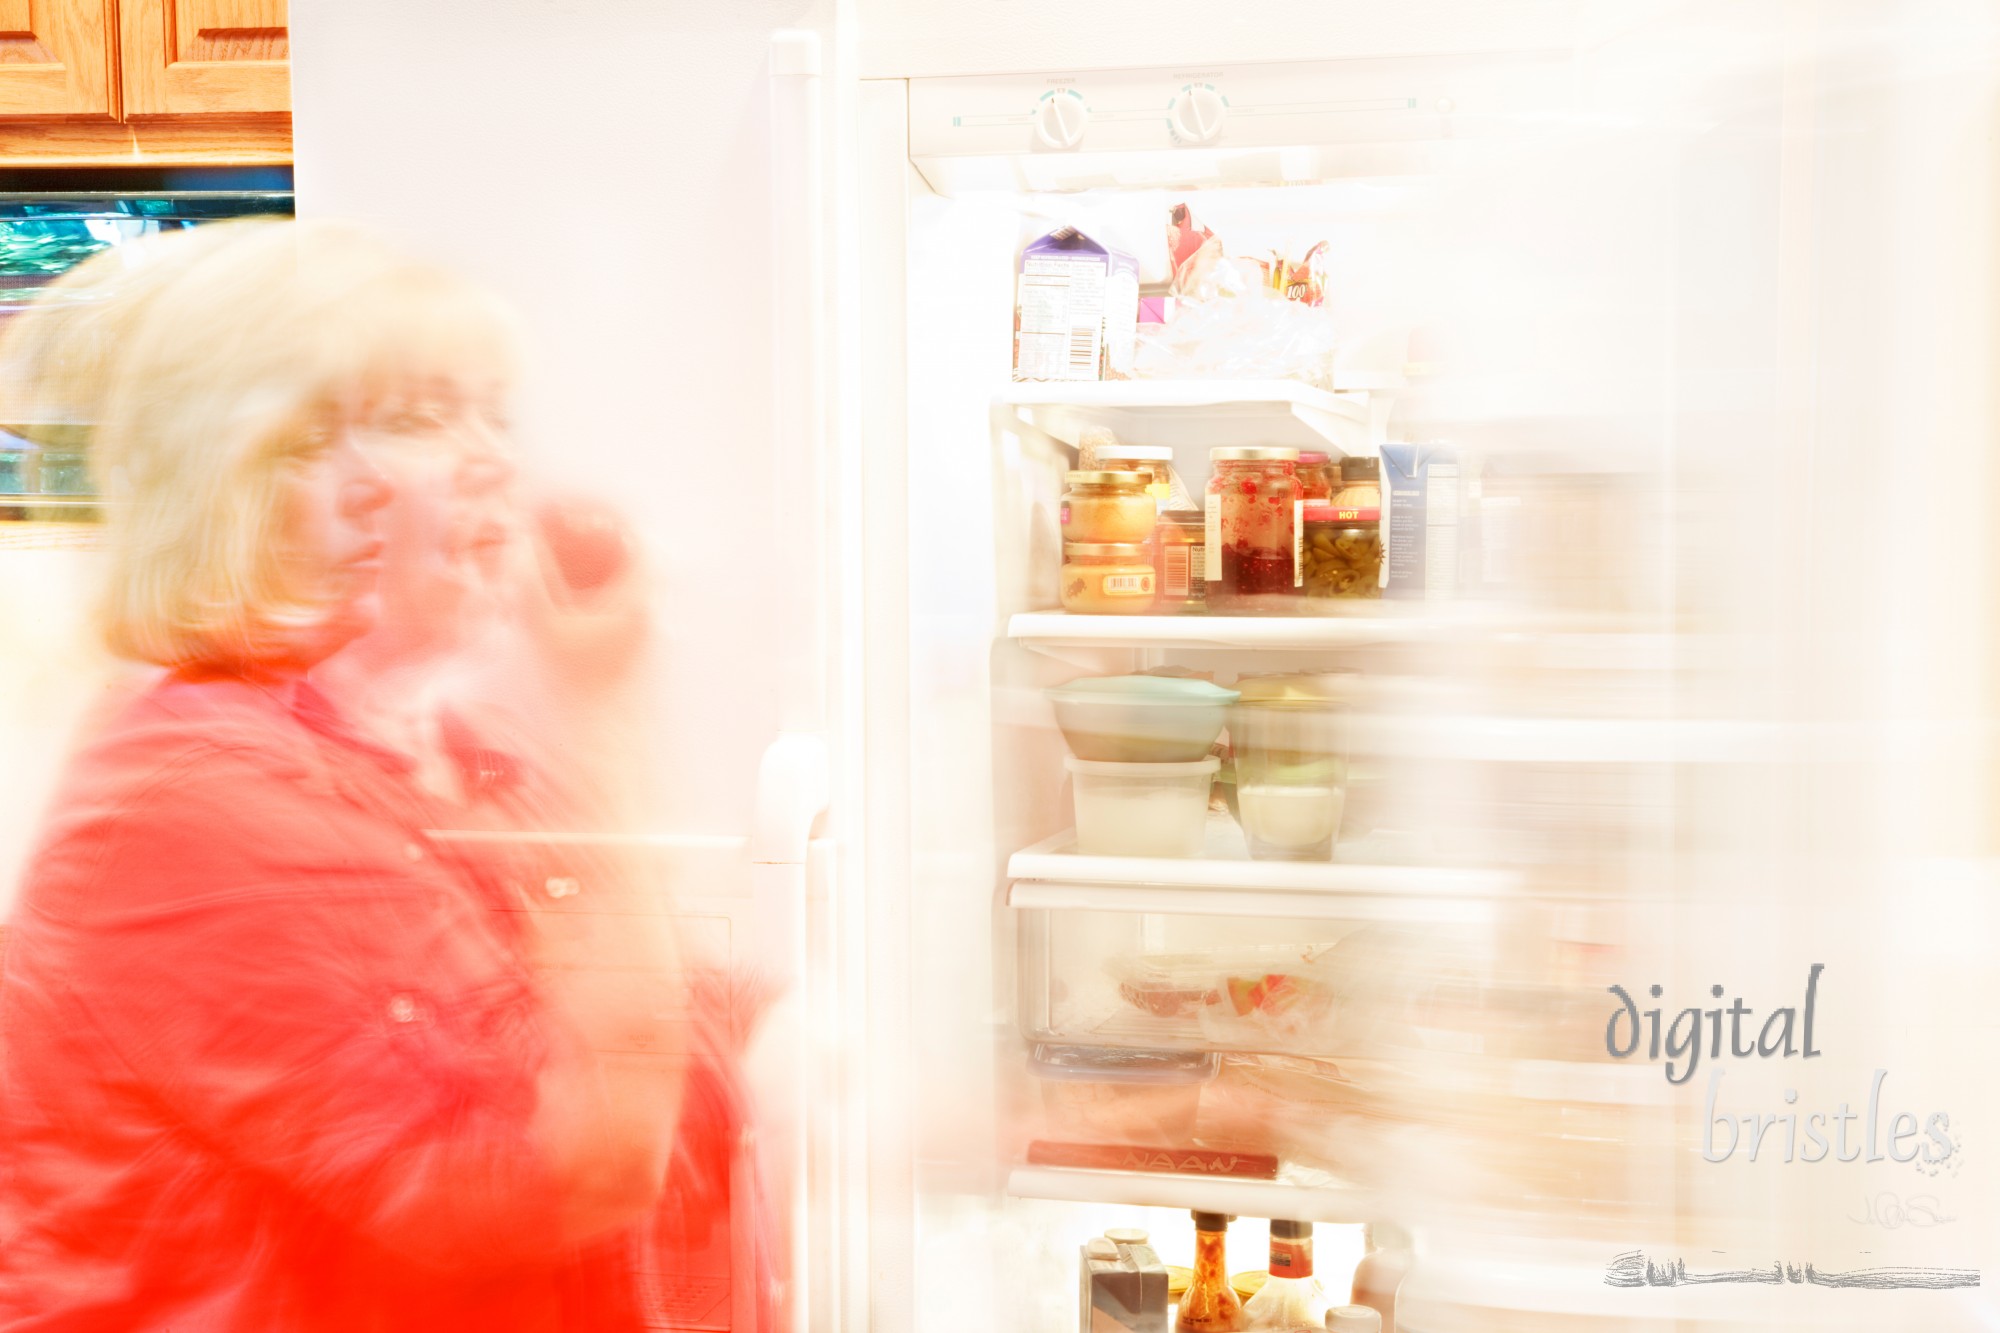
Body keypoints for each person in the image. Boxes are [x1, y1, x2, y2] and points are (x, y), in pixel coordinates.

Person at [0, 220, 685, 1331]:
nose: (494, 461)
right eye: (416, 418)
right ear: (248, 478)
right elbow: (562, 1171)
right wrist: (607, 714)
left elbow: (641, 1018)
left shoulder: (456, 754)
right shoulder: (189, 804)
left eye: (489, 413)